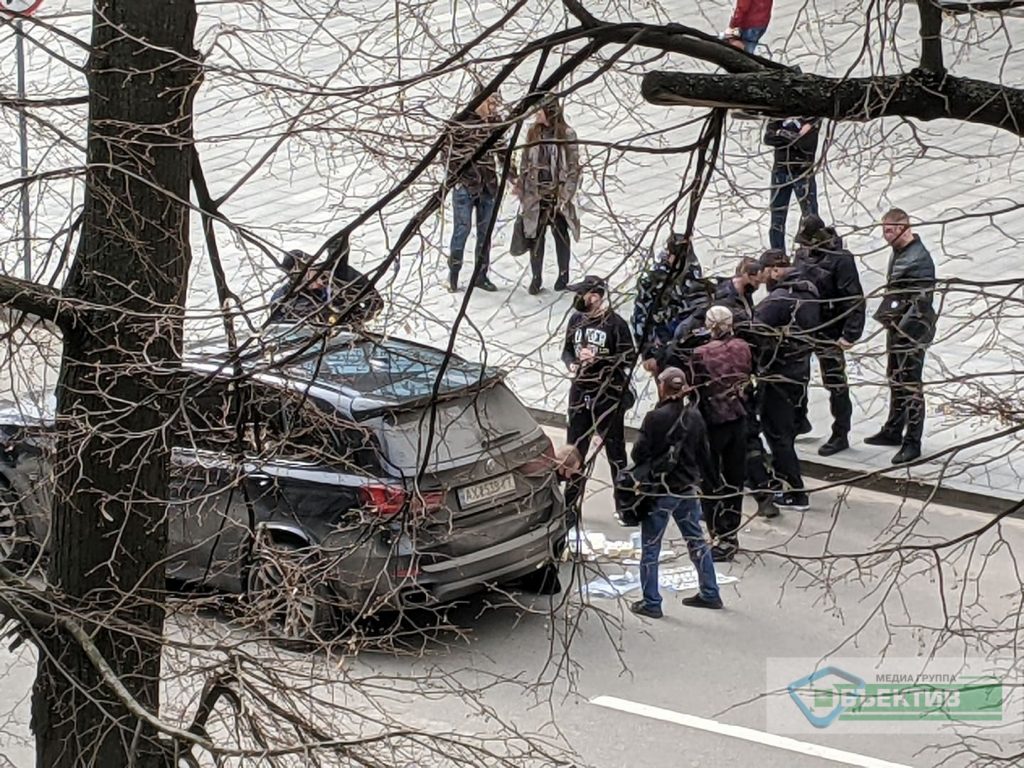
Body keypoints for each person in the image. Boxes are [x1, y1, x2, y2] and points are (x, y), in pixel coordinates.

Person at [629, 366, 723, 619]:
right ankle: (710, 591)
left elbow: (638, 454)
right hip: (686, 490)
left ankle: (651, 601)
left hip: (660, 491)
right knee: (696, 541)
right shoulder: (694, 416)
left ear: (662, 386)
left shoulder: (654, 418)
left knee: (651, 547)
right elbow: (705, 455)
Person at [750, 249, 822, 511]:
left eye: (766, 272)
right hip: (800, 372)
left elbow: (752, 328)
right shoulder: (810, 291)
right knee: (787, 431)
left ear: (774, 270)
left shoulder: (779, 299)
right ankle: (783, 480)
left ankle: (795, 491)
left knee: (777, 434)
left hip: (778, 374)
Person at [865, 208, 937, 464]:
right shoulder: (900, 251)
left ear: (904, 228)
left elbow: (920, 302)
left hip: (913, 330)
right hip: (899, 325)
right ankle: (894, 429)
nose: (885, 236)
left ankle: (912, 442)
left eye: (889, 230)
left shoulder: (916, 259)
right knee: (895, 377)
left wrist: (902, 329)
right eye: (884, 230)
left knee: (910, 383)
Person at [561, 275, 635, 517]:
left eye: (581, 293)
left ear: (595, 296)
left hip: (608, 393)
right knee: (575, 449)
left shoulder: (615, 324)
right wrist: (573, 364)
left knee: (615, 451)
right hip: (580, 390)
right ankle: (570, 506)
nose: (577, 299)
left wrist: (600, 360)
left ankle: (625, 506)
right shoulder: (575, 320)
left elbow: (629, 357)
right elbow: (566, 352)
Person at [792, 215, 866, 456]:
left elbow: (853, 298)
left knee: (834, 381)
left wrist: (850, 334)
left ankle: (841, 432)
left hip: (829, 328)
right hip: (804, 325)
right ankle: (798, 420)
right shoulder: (802, 255)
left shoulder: (840, 260)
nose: (804, 247)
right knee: (796, 375)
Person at [691, 306, 753, 562]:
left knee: (710, 480)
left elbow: (695, 388)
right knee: (734, 478)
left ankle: (717, 534)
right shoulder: (743, 347)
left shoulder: (700, 353)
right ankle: (732, 533)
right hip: (738, 418)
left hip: (713, 421)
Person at [445, 88, 515, 293]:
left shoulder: (496, 123)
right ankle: (454, 273)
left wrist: (513, 177)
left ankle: (481, 275)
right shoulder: (460, 121)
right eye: (491, 102)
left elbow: (503, 153)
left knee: (485, 233)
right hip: (465, 186)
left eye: (496, 103)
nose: (494, 107)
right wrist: (458, 177)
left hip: (488, 186)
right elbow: (446, 154)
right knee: (462, 229)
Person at [517, 98, 581, 294]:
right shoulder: (532, 132)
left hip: (557, 192)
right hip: (536, 193)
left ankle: (564, 275)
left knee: (560, 233)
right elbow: (525, 161)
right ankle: (536, 277)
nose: (537, 114)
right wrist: (522, 186)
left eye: (540, 111)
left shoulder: (566, 134)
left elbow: (573, 167)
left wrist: (565, 194)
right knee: (536, 236)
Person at [631, 232, 709, 364]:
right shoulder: (653, 279)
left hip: (691, 338)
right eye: (678, 257)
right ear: (670, 254)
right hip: (663, 341)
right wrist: (647, 353)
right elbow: (641, 315)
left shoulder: (692, 268)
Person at [764, 115, 820, 251]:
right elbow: (768, 138)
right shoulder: (778, 113)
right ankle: (777, 253)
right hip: (780, 170)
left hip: (802, 170)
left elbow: (806, 144)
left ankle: (810, 251)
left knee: (810, 216)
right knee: (777, 217)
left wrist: (781, 134)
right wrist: (793, 136)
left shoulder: (812, 117)